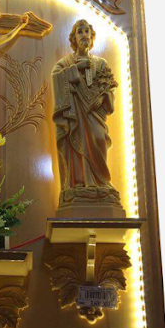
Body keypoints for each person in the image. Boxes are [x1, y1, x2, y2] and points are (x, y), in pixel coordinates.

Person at [51, 19, 124, 216]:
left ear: (92, 38)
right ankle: (79, 184)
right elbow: (56, 77)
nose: (84, 35)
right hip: (75, 116)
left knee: (99, 139)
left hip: (95, 115)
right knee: (77, 145)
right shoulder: (65, 63)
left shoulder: (100, 63)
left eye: (87, 32)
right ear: (73, 38)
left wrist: (103, 98)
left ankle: (101, 183)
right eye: (80, 32)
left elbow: (109, 87)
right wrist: (75, 70)